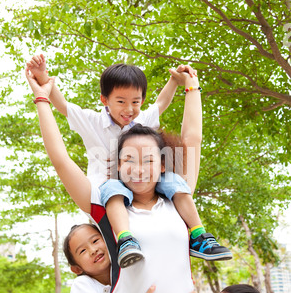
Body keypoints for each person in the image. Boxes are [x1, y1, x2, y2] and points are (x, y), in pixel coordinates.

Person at [25, 67, 210, 293]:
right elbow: (60, 159)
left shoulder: (178, 198)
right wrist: (42, 100)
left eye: (149, 159)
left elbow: (193, 138)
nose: (139, 168)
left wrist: (192, 88)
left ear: (163, 165)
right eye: (128, 160)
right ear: (117, 167)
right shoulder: (106, 209)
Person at [26, 55, 232, 267]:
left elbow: (164, 107)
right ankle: (125, 239)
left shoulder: (142, 124)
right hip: (109, 186)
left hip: (146, 184)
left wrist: (177, 81)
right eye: (121, 102)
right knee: (114, 190)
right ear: (104, 100)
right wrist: (43, 80)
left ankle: (198, 236)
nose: (129, 109)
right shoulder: (93, 123)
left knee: (175, 183)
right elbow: (63, 108)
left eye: (136, 102)